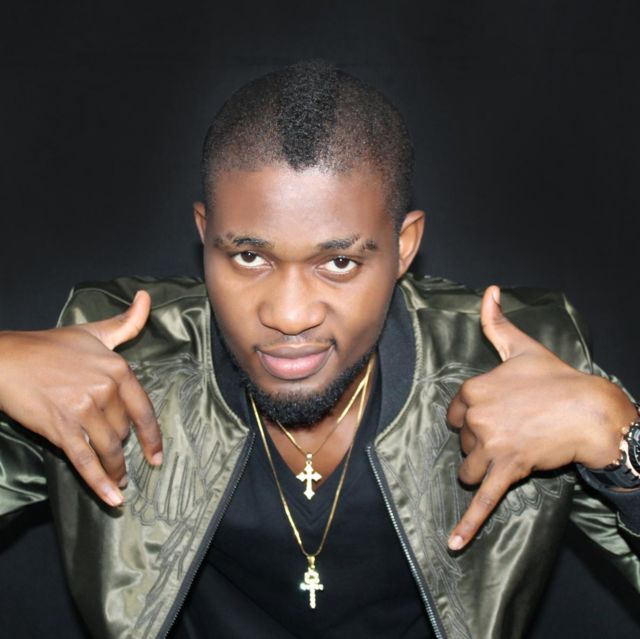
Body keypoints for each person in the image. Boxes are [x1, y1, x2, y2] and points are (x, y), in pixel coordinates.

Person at [0, 60, 639, 639]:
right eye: (248, 256)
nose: (289, 315)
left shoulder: (515, 371)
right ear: (205, 235)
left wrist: (620, 438)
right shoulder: (122, 370)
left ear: (404, 248)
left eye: (338, 262)